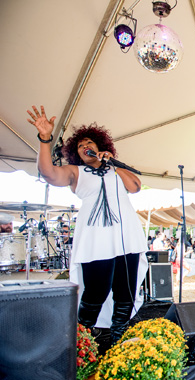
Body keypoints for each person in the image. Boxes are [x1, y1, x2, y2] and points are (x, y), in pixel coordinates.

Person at [27, 105, 148, 343]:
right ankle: (80, 346)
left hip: (127, 238)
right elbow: (49, 174)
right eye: (80, 145)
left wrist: (114, 164)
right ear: (75, 153)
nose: (85, 147)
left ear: (100, 146)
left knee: (125, 296)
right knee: (95, 294)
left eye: (89, 142)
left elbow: (135, 186)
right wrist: (44, 139)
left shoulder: (115, 170)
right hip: (96, 239)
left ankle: (118, 343)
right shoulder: (76, 172)